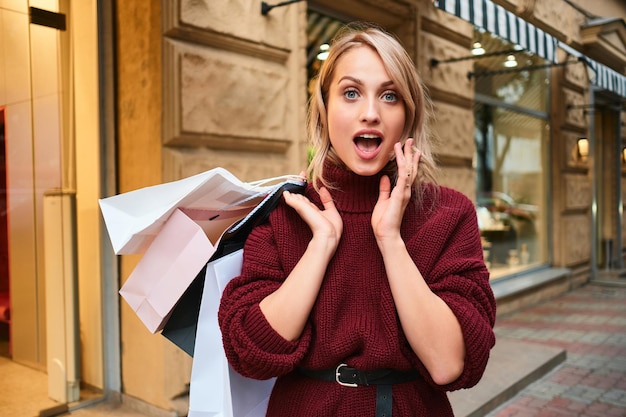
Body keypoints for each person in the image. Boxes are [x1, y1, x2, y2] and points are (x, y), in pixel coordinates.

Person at [218, 22, 496, 417]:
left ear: (408, 114)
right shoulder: (285, 212)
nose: (370, 114)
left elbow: (449, 363)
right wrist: (321, 246)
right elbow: (252, 352)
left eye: (389, 95)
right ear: (325, 108)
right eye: (351, 93)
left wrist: (390, 239)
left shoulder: (449, 214)